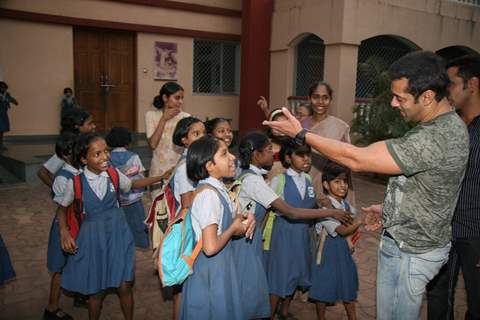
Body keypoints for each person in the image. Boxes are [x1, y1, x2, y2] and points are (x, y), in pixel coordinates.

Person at [263, 51, 470, 320]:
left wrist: (301, 134)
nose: (394, 104)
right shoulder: (435, 126)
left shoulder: (437, 135)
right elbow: (429, 182)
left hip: (411, 252)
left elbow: (357, 158)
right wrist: (390, 208)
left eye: (401, 97)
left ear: (428, 96)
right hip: (405, 241)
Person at [235, 132, 354, 319]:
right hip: (259, 237)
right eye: (268, 150)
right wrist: (331, 212)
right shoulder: (257, 181)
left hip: (273, 235)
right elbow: (289, 211)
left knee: (291, 274)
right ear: (256, 155)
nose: (273, 154)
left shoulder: (299, 180)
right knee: (261, 282)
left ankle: (278, 311)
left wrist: (319, 203)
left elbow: (302, 205)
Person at [57, 133, 170, 320]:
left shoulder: (113, 174)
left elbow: (133, 184)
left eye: (106, 151)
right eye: (98, 154)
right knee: (96, 291)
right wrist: (64, 231)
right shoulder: (75, 183)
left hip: (119, 233)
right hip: (93, 237)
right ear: (84, 159)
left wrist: (159, 177)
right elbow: (62, 209)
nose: (105, 157)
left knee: (124, 285)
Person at [426, 55, 480, 320]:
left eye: (452, 83)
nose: (446, 90)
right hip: (442, 231)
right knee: (437, 297)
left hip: (475, 234)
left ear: (472, 84)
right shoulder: (447, 127)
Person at [179, 135, 255, 320]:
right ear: (209, 165)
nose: (232, 157)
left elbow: (228, 223)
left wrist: (245, 218)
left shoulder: (218, 189)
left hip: (221, 265)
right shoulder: (208, 196)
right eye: (224, 154)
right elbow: (210, 247)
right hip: (210, 270)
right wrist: (233, 228)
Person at [310, 163, 367, 320]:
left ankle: (352, 317)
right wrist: (360, 221)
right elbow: (342, 230)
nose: (343, 185)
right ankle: (321, 317)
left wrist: (359, 226)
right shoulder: (325, 207)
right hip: (327, 253)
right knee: (324, 287)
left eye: (345, 181)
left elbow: (351, 229)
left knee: (348, 284)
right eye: (337, 181)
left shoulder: (346, 205)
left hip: (343, 253)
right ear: (326, 185)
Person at [266, 141, 314, 319]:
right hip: (284, 234)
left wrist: (319, 203)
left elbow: (307, 206)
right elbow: (270, 207)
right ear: (288, 157)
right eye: (301, 155)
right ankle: (270, 314)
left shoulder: (308, 180)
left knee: (297, 271)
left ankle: (285, 311)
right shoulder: (280, 180)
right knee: (280, 274)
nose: (306, 158)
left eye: (308, 154)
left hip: (302, 233)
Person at [169, 116, 205, 320]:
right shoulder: (185, 168)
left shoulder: (195, 161)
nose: (201, 137)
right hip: (190, 227)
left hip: (197, 223)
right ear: (184, 139)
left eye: (203, 133)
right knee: (183, 283)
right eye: (195, 134)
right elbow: (187, 203)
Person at [44, 132, 78, 320]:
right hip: (64, 227)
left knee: (76, 262)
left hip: (78, 224)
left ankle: (79, 294)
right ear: (66, 154)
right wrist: (64, 231)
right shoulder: (63, 178)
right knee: (60, 267)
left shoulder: (79, 171)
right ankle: (51, 307)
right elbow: (62, 209)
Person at [106, 127, 149, 249]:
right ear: (128, 141)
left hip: (115, 199)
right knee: (136, 221)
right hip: (132, 198)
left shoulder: (108, 157)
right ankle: (139, 242)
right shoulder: (133, 156)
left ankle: (118, 243)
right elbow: (141, 175)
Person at [145, 82, 190, 198]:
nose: (180, 102)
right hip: (158, 172)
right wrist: (163, 119)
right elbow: (153, 144)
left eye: (182, 98)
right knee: (159, 209)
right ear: (165, 98)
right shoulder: (151, 116)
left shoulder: (186, 118)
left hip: (179, 170)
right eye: (177, 98)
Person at [37, 108, 96, 188]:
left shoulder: (89, 142)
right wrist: (58, 190)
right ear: (77, 126)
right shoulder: (70, 149)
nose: (94, 126)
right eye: (90, 124)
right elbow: (42, 173)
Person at [0, 81, 19, 150]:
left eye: (4, 88)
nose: (3, 89)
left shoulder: (6, 95)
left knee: (1, 130)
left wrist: (13, 100)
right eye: (2, 87)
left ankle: (1, 145)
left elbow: (15, 102)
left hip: (3, 114)